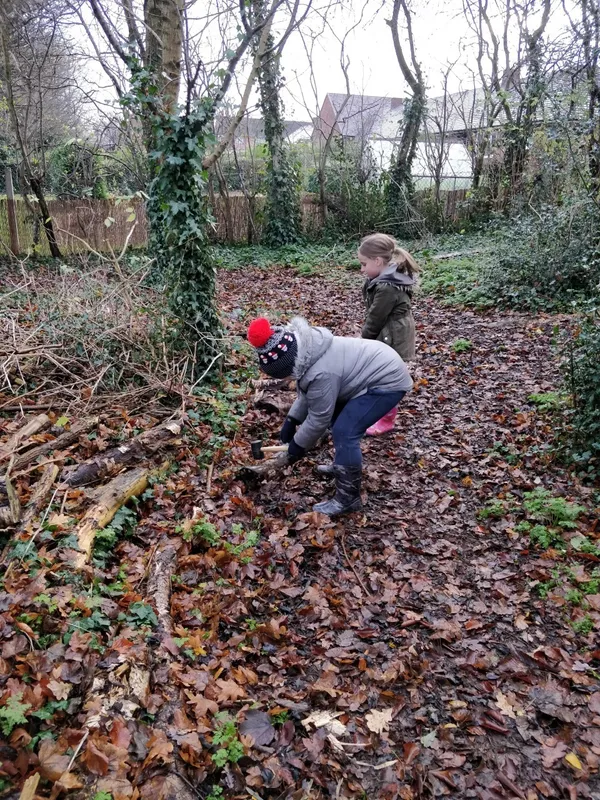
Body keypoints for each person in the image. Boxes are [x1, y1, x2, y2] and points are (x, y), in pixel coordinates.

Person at [247, 316, 412, 516]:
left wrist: (297, 446)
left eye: (286, 375)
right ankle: (343, 465)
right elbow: (309, 390)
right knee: (338, 418)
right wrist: (292, 419)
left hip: (386, 381)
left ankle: (348, 499)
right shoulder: (307, 350)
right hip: (365, 374)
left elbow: (319, 418)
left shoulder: (321, 372)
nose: (288, 379)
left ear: (290, 364)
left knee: (345, 431)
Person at [358, 233, 418, 436]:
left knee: (387, 379)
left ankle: (386, 420)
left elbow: (375, 318)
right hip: (388, 333)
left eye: (364, 264)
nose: (362, 269)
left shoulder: (387, 287)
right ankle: (378, 413)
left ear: (377, 261)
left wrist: (363, 342)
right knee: (380, 375)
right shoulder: (383, 279)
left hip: (393, 336)